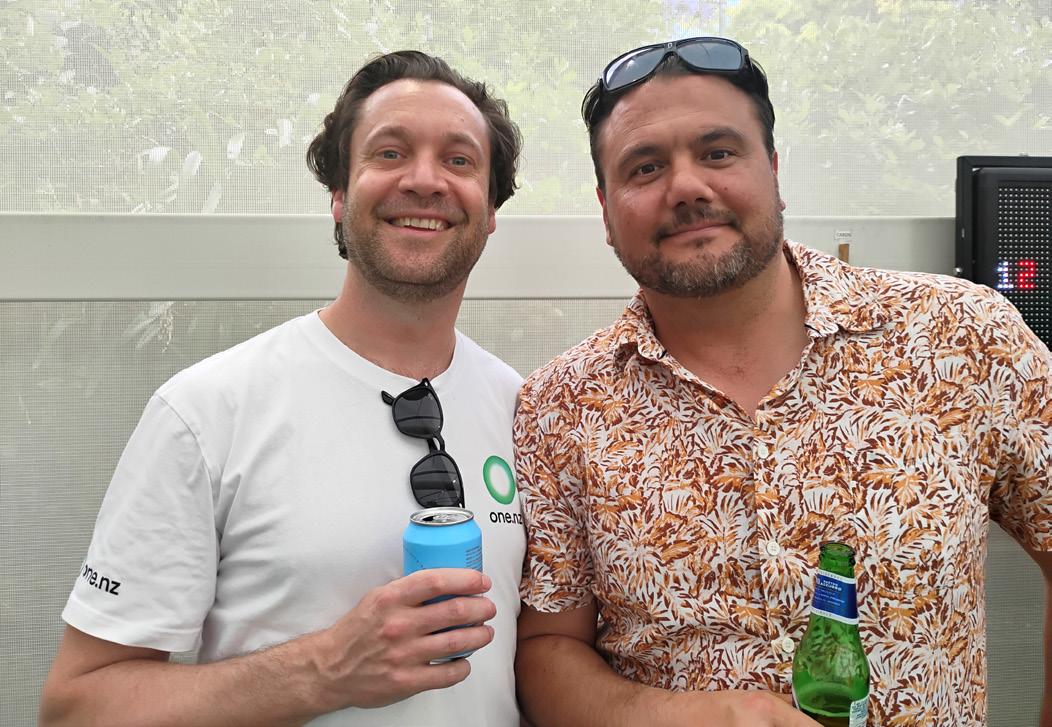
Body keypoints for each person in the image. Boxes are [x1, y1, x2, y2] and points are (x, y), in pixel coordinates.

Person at [513, 36, 1052, 727]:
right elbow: (548, 648)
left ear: (772, 169)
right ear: (606, 209)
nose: (687, 188)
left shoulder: (961, 336)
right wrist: (691, 719)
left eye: (718, 153)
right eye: (645, 168)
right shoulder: (560, 405)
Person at [40, 50, 525, 727]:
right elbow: (75, 706)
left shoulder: (524, 409)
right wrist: (325, 668)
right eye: (389, 153)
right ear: (339, 195)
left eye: (459, 159)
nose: (424, 179)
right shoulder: (207, 411)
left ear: (491, 209)